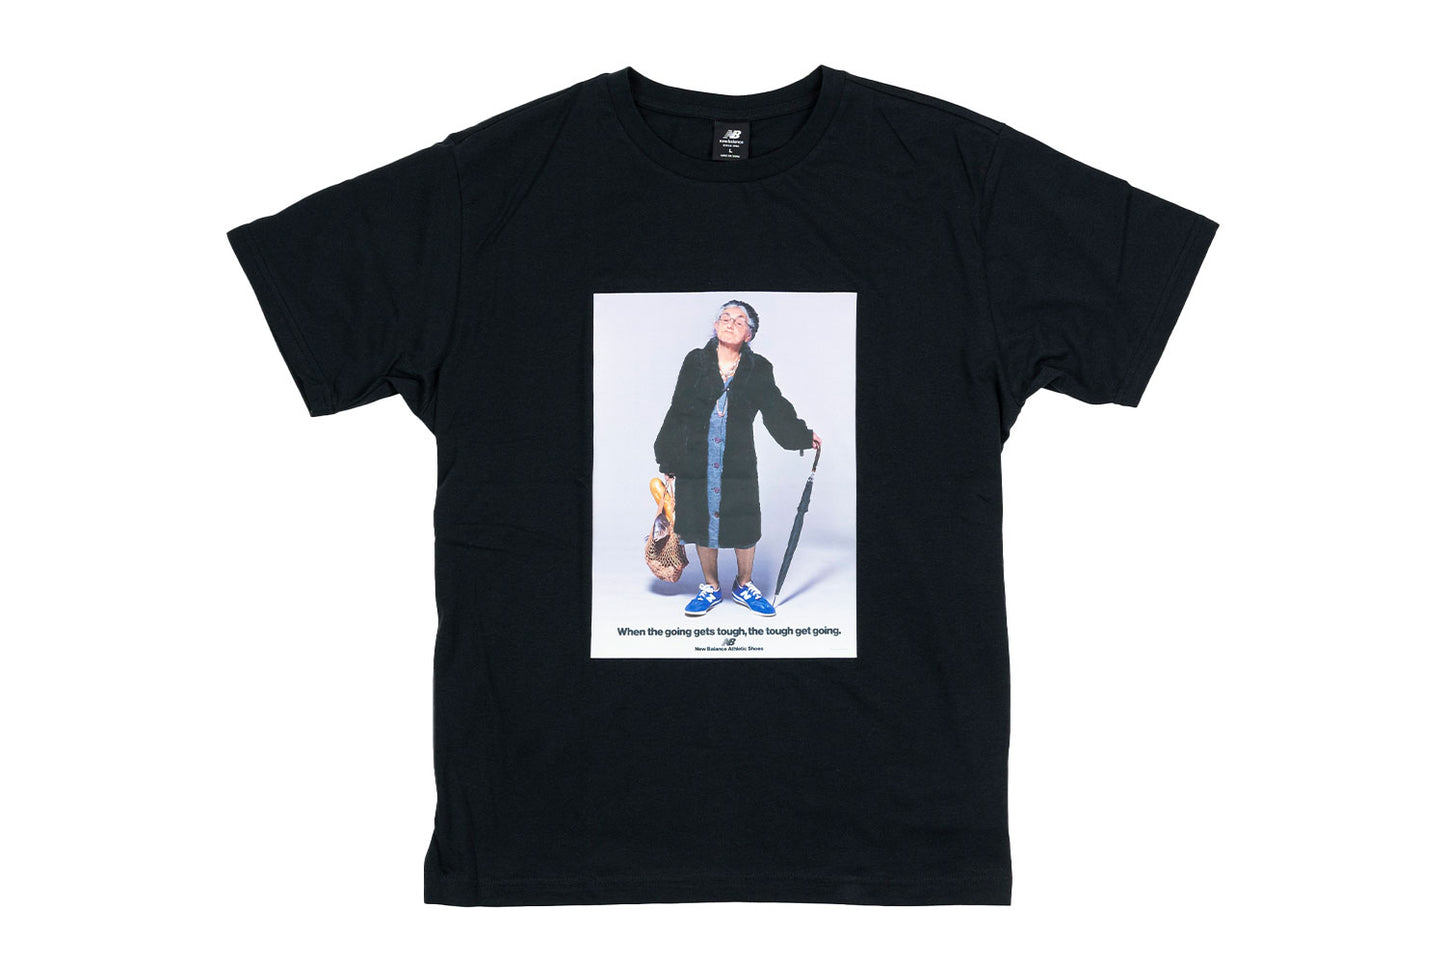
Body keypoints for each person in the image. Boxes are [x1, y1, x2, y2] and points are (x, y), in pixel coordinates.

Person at [654, 300, 821, 617]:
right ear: (716, 325)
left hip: (738, 460)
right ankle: (711, 587)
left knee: (744, 521)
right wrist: (669, 457)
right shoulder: (695, 362)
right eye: (725, 318)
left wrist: (802, 435)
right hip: (696, 457)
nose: (730, 323)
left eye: (739, 321)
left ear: (749, 334)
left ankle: (744, 584)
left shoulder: (759, 370)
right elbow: (678, 410)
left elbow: (775, 408)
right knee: (702, 520)